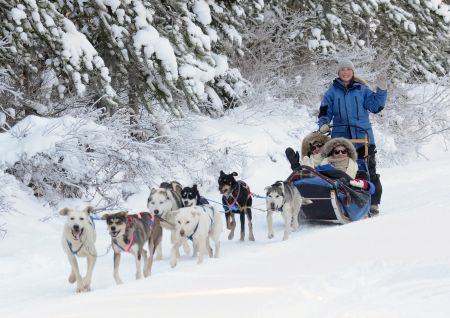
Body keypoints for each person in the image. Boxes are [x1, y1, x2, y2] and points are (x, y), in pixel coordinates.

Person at [318, 58, 387, 215]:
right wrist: (323, 123)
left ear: (353, 72)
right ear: (338, 72)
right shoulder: (331, 92)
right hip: (342, 140)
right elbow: (324, 111)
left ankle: (373, 202)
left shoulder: (362, 90)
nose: (345, 72)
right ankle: (346, 200)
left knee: (368, 169)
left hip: (363, 137)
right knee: (343, 171)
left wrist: (382, 91)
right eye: (342, 70)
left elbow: (375, 106)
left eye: (348, 69)